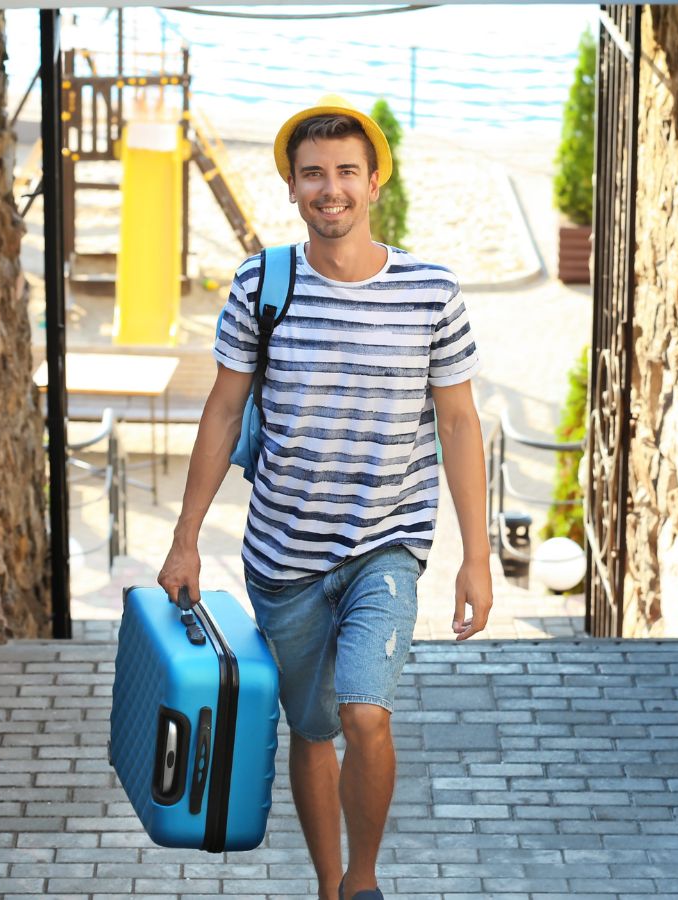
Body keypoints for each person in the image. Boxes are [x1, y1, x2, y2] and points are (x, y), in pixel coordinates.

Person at [156, 94, 494, 900]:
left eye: (347, 171)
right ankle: (330, 884)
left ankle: (366, 880)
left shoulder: (429, 292)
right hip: (284, 558)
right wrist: (184, 536)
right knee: (310, 730)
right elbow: (224, 408)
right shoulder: (261, 286)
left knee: (364, 715)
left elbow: (458, 423)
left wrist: (475, 558)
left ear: (375, 182)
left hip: (387, 545)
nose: (330, 188)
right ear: (292, 187)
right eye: (313, 174)